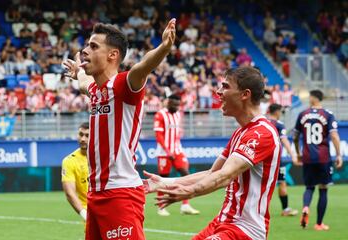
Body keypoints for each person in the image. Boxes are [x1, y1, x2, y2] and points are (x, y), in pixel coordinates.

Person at [62, 19, 176, 240]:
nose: (85, 50)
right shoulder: (95, 90)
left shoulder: (124, 85)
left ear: (112, 55)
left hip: (119, 194)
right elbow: (84, 82)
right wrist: (78, 72)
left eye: (94, 46)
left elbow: (142, 67)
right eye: (87, 45)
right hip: (95, 196)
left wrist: (163, 48)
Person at [145, 66, 281, 240]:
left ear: (245, 94)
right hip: (223, 222)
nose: (218, 92)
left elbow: (224, 176)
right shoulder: (241, 133)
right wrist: (163, 183)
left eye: (225, 87)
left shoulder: (261, 133)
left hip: (245, 230)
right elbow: (213, 173)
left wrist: (190, 191)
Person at [293, 90, 342, 231]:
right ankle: (319, 223)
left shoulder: (302, 114)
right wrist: (339, 155)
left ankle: (306, 207)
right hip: (323, 157)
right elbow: (334, 136)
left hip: (307, 157)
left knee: (309, 187)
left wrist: (298, 153)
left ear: (314, 98)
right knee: (323, 189)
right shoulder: (328, 114)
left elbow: (295, 137)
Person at [153, 94, 199, 216]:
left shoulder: (178, 114)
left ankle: (185, 205)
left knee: (186, 175)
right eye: (174, 104)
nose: (176, 106)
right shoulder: (160, 115)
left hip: (177, 150)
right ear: (168, 102)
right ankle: (161, 207)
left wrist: (175, 148)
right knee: (163, 178)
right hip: (164, 152)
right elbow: (158, 135)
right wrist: (168, 151)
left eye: (178, 104)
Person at [267, 103, 299, 216]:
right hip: (275, 160)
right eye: (280, 111)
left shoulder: (262, 122)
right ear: (276, 112)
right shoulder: (279, 125)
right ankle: (285, 209)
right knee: (282, 183)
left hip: (260, 160)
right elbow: (284, 140)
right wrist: (293, 155)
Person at [61, 122, 89, 222]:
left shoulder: (106, 157)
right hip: (90, 213)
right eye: (81, 135)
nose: (83, 139)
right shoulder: (69, 161)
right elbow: (69, 193)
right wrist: (85, 215)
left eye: (87, 136)